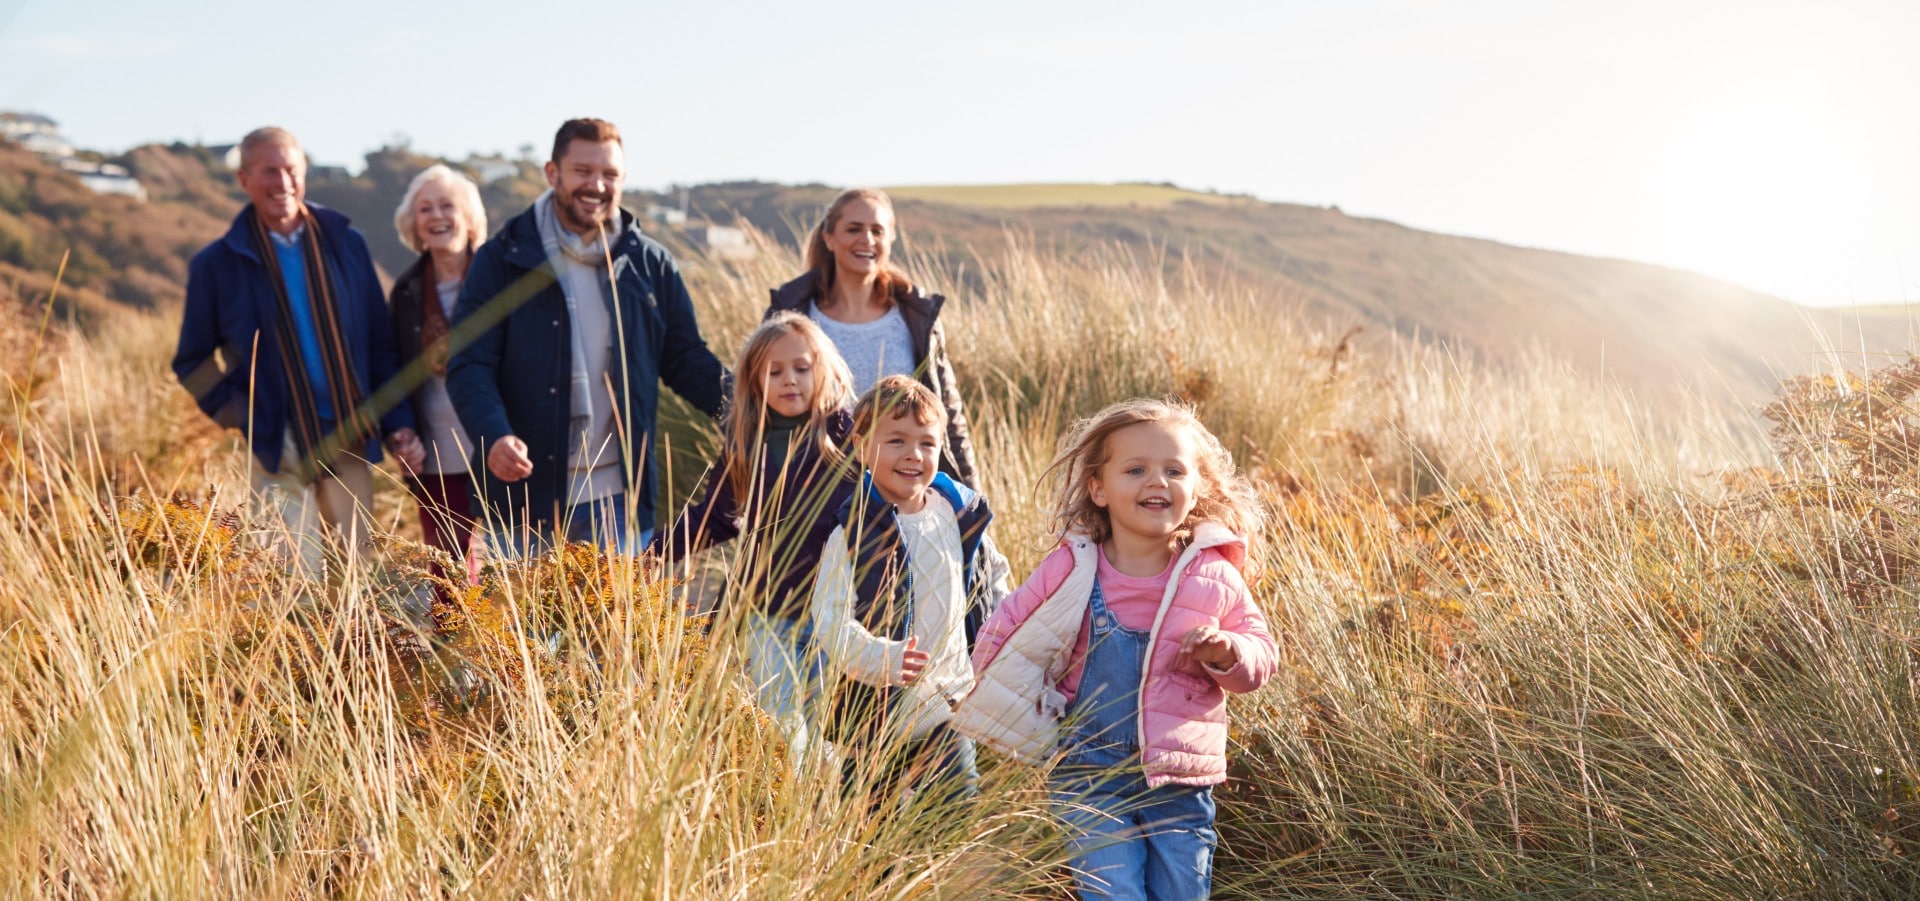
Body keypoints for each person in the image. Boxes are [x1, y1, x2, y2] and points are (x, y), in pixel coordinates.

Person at [953, 398, 1278, 901]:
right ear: (1098, 489)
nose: (1157, 481)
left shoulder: (1213, 575)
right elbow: (1006, 632)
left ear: (1197, 489)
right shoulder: (1073, 567)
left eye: (1174, 469)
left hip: (1180, 780)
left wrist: (1225, 652)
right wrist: (1014, 712)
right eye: (1136, 469)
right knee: (1113, 893)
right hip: (1087, 771)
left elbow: (1260, 653)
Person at [447, 118, 729, 554]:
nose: (596, 185)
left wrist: (750, 411)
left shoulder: (649, 263)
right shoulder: (502, 259)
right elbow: (469, 364)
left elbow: (686, 359)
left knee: (619, 624)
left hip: (621, 500)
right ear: (552, 173)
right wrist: (493, 434)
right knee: (528, 625)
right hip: (526, 500)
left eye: (609, 174)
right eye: (582, 171)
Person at [172, 126, 423, 576]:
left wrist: (398, 422)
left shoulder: (346, 243)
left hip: (349, 431)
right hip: (277, 443)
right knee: (291, 580)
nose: (282, 182)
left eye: (291, 170)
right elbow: (192, 362)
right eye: (270, 171)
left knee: (354, 575)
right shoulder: (216, 264)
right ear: (244, 179)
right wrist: (245, 415)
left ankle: (354, 649)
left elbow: (379, 341)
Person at [652, 312, 858, 763]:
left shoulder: (846, 433)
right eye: (775, 371)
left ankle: (830, 820)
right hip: (770, 615)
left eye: (802, 368)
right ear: (754, 379)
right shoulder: (746, 441)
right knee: (785, 734)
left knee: (830, 731)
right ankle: (792, 815)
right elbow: (715, 518)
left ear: (821, 368)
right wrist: (648, 556)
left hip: (836, 614)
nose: (790, 380)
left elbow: (885, 503)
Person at [810, 375, 1011, 810]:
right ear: (863, 448)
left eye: (926, 443)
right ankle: (877, 874)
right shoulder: (853, 532)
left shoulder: (958, 514)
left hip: (946, 703)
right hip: (873, 713)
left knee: (956, 807)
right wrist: (882, 657)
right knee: (867, 825)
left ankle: (929, 874)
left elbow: (993, 575)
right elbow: (829, 620)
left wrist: (1001, 634)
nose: (913, 455)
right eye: (896, 440)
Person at [765, 189, 979, 487]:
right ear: (828, 238)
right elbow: (758, 406)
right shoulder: (791, 313)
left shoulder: (916, 314)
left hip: (900, 491)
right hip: (813, 493)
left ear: (889, 239)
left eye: (877, 231)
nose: (866, 239)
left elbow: (947, 413)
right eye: (854, 229)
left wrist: (971, 502)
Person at [389, 164, 488, 589]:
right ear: (414, 225)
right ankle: (455, 650)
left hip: (500, 444)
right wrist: (400, 431)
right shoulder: (406, 291)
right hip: (437, 453)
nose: (436, 216)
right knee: (448, 574)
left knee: (517, 566)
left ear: (468, 218)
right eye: (425, 209)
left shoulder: (498, 279)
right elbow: (391, 369)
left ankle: (515, 654)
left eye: (447, 205)